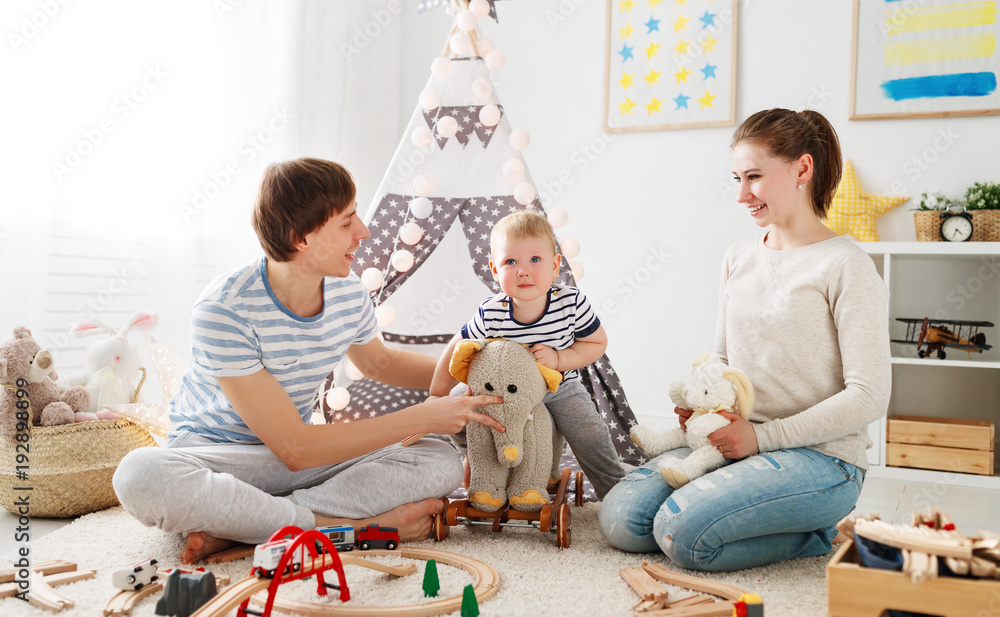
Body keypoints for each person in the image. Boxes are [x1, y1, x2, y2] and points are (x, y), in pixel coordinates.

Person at [113, 158, 504, 564]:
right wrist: (427, 415)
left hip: (292, 468)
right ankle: (343, 530)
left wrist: (478, 369)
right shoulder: (225, 309)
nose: (363, 233)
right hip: (223, 458)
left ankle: (244, 525)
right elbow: (295, 448)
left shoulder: (348, 292)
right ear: (303, 239)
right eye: (347, 222)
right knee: (140, 474)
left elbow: (379, 364)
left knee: (438, 458)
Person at [598, 108, 891, 572]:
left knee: (681, 533)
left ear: (802, 168)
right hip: (733, 441)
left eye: (753, 177)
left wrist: (761, 437)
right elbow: (722, 357)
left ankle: (816, 535)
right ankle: (753, 511)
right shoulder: (738, 258)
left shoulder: (846, 266)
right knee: (622, 521)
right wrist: (702, 405)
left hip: (822, 460)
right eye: (737, 177)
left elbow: (869, 395)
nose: (741, 195)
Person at [428, 210, 626, 500]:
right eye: (511, 262)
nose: (523, 270)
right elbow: (459, 344)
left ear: (555, 265)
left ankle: (615, 491)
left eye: (535, 259)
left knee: (589, 431)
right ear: (495, 270)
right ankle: (477, 452)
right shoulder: (492, 311)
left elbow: (596, 343)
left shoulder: (570, 303)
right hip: (503, 392)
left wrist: (560, 360)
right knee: (459, 407)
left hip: (558, 386)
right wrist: (437, 392)